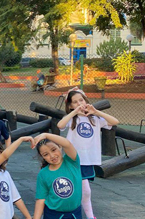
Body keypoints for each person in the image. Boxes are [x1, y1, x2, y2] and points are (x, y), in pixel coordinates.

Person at [57, 90, 119, 219]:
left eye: (81, 100)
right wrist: (74, 112)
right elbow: (60, 125)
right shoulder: (72, 118)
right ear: (70, 106)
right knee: (76, 190)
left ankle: (88, 216)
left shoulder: (95, 119)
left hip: (87, 160)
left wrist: (96, 111)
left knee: (85, 191)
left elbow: (115, 121)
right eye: (75, 102)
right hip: (73, 160)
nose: (79, 103)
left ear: (86, 100)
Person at [33, 133, 82, 219]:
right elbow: (41, 199)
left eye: (53, 150)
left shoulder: (71, 162)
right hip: (53, 215)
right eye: (46, 154)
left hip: (75, 214)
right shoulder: (43, 174)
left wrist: (46, 135)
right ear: (42, 157)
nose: (52, 156)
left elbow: (67, 144)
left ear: (60, 146)